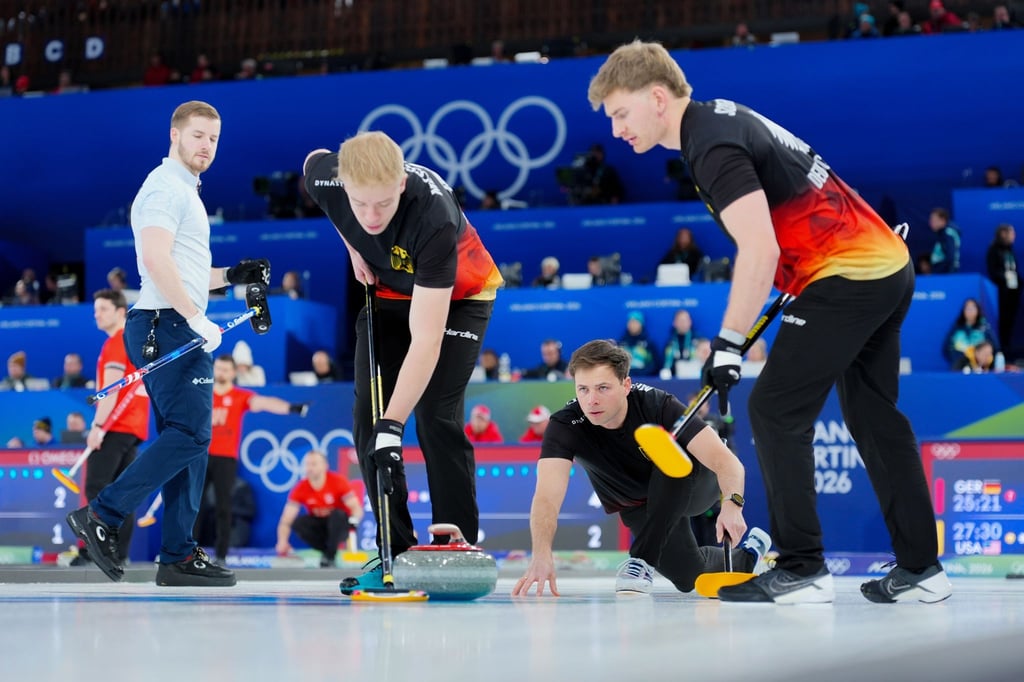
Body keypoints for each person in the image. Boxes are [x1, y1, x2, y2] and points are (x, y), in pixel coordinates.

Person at [587, 40, 950, 604]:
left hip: (848, 273)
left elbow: (758, 247)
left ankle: (803, 567)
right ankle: (923, 568)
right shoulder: (719, 120)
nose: (616, 129)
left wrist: (729, 343)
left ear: (657, 97)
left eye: (620, 113)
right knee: (875, 418)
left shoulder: (709, 141)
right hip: (879, 266)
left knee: (775, 408)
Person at [66, 100, 272, 588]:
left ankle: (177, 553)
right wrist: (195, 316)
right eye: (198, 135)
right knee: (194, 435)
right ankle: (104, 513)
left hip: (169, 320)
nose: (206, 146)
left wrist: (233, 276)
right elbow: (156, 261)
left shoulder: (186, 190)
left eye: (213, 139)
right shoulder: (163, 188)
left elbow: (188, 270)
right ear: (175, 135)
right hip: (167, 323)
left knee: (188, 440)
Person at [302, 130, 503, 593]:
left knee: (434, 414)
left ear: (400, 186)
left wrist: (396, 423)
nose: (370, 217)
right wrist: (352, 246)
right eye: (360, 204)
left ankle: (456, 544)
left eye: (383, 205)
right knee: (366, 421)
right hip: (388, 292)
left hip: (458, 297)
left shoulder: (432, 216)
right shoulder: (328, 181)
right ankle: (393, 550)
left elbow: (427, 339)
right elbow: (314, 155)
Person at [512, 340, 770, 597]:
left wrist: (732, 505)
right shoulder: (565, 425)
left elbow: (728, 462)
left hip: (696, 484)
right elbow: (546, 498)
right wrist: (541, 554)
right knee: (688, 576)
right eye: (583, 389)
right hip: (638, 504)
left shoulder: (657, 404)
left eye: (602, 388)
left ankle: (641, 561)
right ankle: (749, 556)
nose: (591, 400)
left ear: (626, 385)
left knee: (664, 453)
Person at [203, 354, 309, 563]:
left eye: (225, 369)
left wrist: (291, 408)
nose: (221, 373)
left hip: (225, 458)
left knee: (224, 506)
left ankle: (221, 556)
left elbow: (264, 403)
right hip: (200, 455)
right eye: (218, 368)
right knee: (193, 505)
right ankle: (186, 553)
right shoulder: (204, 394)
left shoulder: (239, 396)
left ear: (233, 373)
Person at [72, 288, 152, 566]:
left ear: (120, 312)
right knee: (121, 493)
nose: (97, 314)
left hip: (115, 426)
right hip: (132, 428)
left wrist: (97, 426)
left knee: (96, 488)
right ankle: (117, 554)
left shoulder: (117, 342)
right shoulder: (131, 341)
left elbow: (111, 390)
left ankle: (93, 552)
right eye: (95, 309)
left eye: (103, 309)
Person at [276, 450, 364, 568]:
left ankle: (330, 555)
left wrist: (354, 522)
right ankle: (327, 552)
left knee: (337, 515)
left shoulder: (338, 481)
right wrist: (282, 541)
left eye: (314, 464)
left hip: (340, 525)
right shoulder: (301, 487)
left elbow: (356, 508)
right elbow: (286, 519)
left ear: (324, 466)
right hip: (320, 528)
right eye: (307, 464)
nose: (310, 468)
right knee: (298, 523)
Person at [986, 224, 1019, 356]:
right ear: (1003, 234)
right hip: (1001, 293)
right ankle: (1000, 352)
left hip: (1013, 292)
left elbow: (1014, 271)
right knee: (1002, 323)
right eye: (1012, 233)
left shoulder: (1010, 250)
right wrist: (1005, 278)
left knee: (1010, 323)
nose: (1014, 236)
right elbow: (993, 271)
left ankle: (1008, 350)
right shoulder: (993, 250)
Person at [943, 297, 1000, 371]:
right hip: (960, 367)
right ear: (963, 311)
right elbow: (946, 348)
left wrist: (984, 357)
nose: (970, 311)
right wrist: (957, 357)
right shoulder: (957, 327)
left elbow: (995, 347)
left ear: (978, 310)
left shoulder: (985, 327)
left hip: (981, 369)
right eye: (967, 308)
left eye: (972, 308)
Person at [928, 208, 960, 274]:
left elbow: (950, 257)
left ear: (942, 220)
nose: (930, 223)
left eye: (933, 220)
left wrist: (947, 276)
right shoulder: (942, 234)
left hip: (944, 274)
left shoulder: (948, 234)